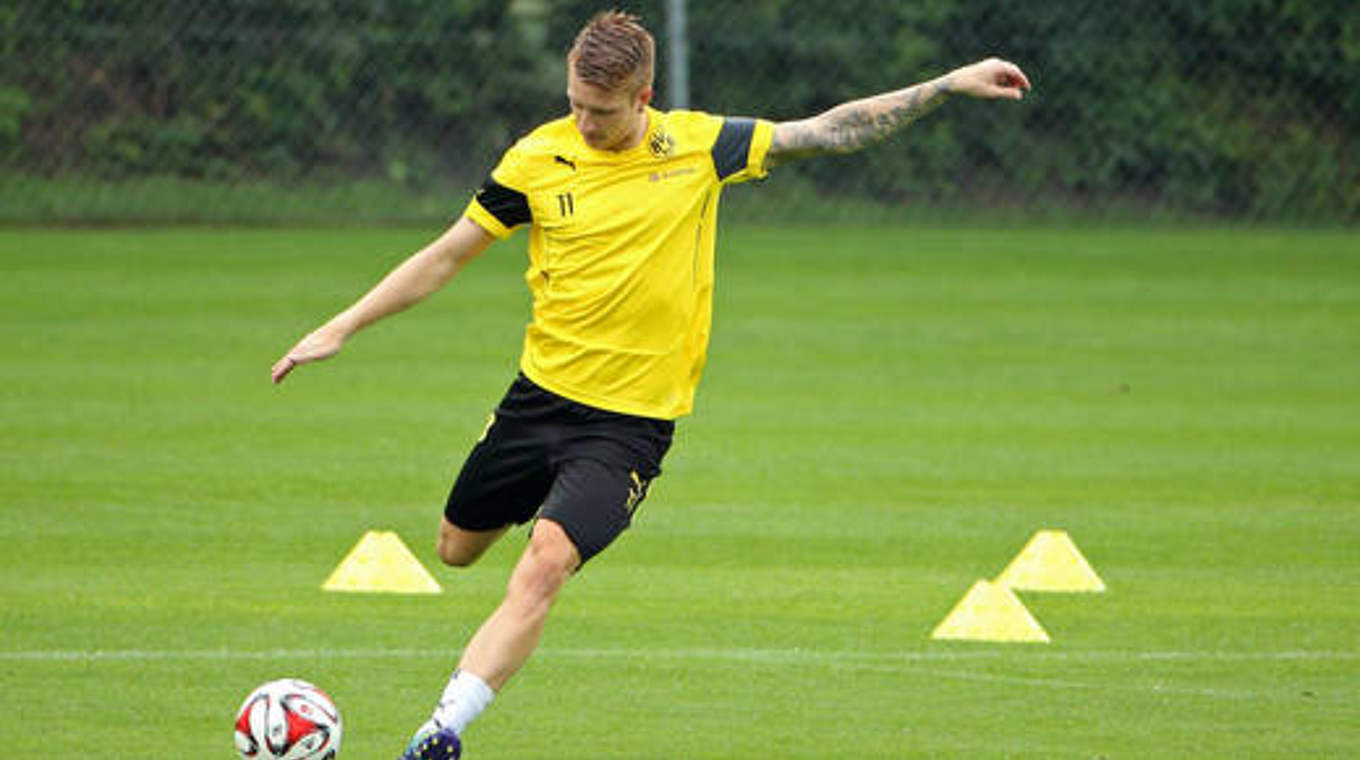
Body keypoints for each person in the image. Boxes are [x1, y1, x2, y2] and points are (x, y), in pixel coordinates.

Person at [271, 11, 1030, 759]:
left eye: (599, 111)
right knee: (455, 549)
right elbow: (446, 255)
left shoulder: (699, 146)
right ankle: (542, 503)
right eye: (573, 103)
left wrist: (948, 84)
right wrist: (343, 325)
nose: (583, 122)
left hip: (628, 427)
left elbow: (827, 130)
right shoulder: (537, 159)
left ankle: (441, 732)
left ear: (643, 97)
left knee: (543, 564)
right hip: (537, 401)